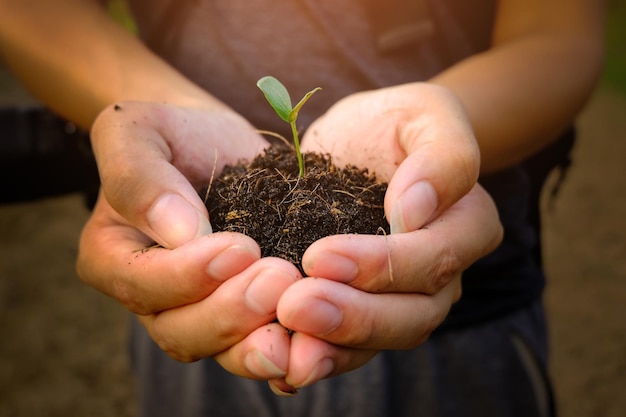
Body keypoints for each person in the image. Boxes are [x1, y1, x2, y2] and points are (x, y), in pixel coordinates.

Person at [0, 0, 604, 416]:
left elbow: (561, 35)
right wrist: (152, 121)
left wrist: (445, 126)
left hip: (457, 301)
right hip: (198, 299)